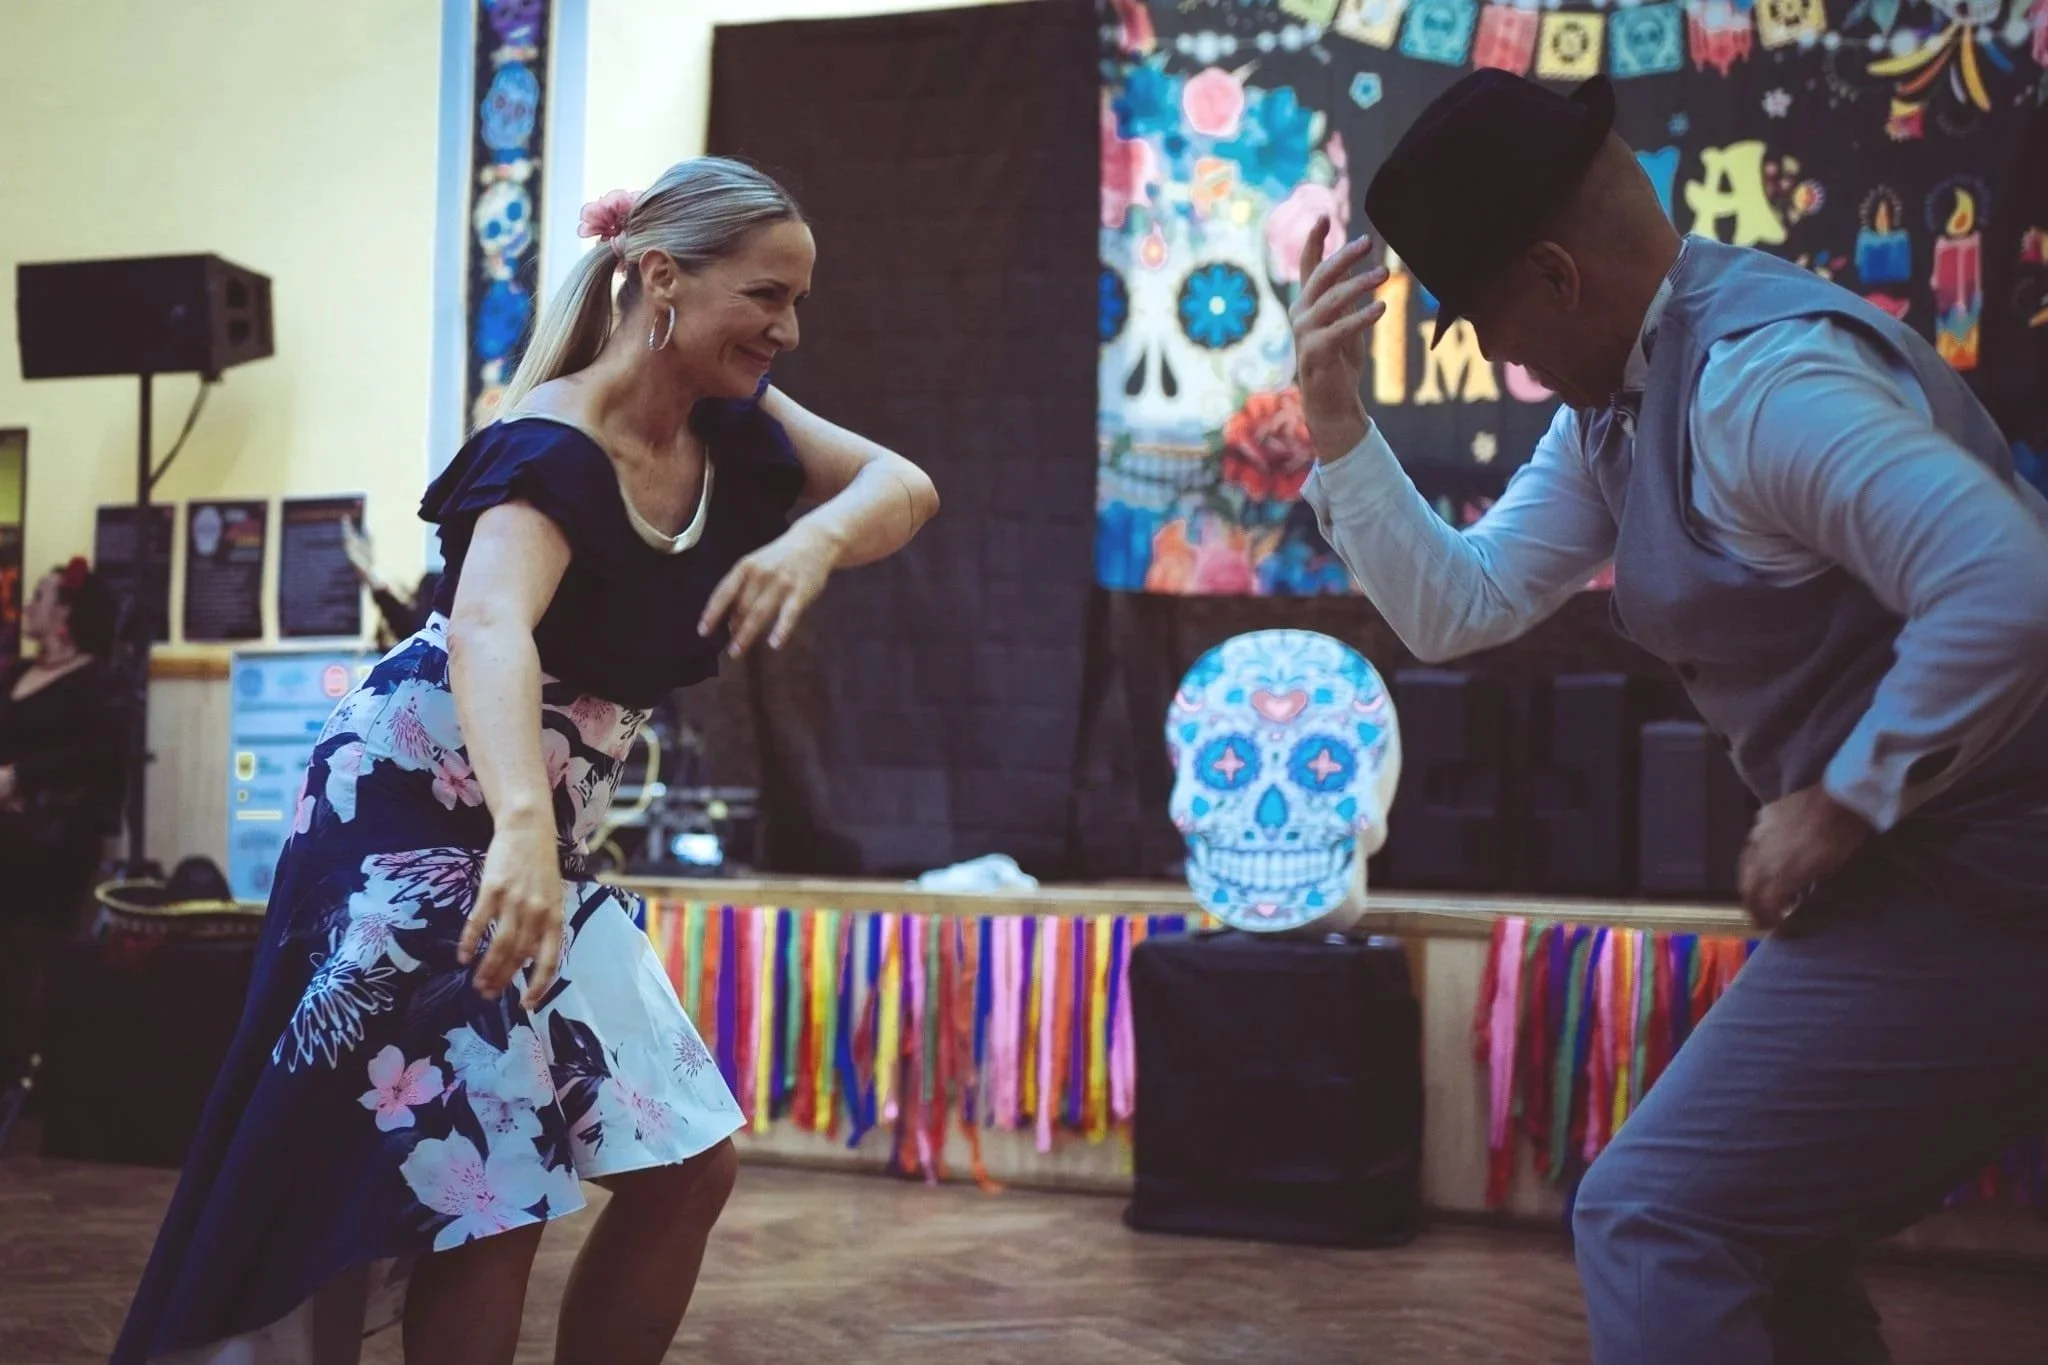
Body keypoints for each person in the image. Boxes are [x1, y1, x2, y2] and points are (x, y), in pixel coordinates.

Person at [114, 157, 939, 1365]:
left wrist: (812, 541)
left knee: (685, 1163)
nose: (787, 327)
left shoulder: (734, 426)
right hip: (414, 811)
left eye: (797, 300)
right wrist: (519, 832)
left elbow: (902, 486)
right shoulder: (545, 447)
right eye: (766, 295)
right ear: (662, 277)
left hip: (533, 825)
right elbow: (491, 629)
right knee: (486, 1187)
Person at [1292, 71, 2048, 1364]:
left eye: (1481, 324)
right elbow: (1458, 604)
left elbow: (2010, 579)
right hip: (1933, 877)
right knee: (1758, 1238)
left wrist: (1847, 793)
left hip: (1996, 872)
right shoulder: (1621, 410)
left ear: (1554, 275)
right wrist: (1337, 421)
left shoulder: (1761, 385)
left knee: (1657, 1215)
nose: (1495, 359)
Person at [0, 558, 125, 1097]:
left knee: (29, 949)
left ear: (65, 614)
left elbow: (99, 756)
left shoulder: (95, 678)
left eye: (40, 595)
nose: (28, 604)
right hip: (9, 830)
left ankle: (30, 1072)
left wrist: (21, 776)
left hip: (51, 840)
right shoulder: (13, 672)